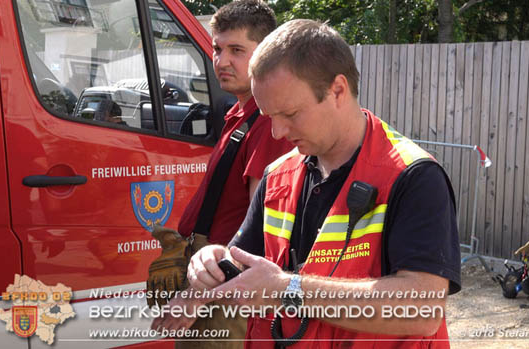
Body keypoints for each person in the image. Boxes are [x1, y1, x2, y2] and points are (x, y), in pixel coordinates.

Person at [155, 19, 461, 347]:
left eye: (290, 114)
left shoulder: (412, 175)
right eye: (269, 116)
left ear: (338, 90)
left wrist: (290, 290)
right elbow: (246, 263)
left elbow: (422, 310)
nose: (277, 132)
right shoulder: (278, 176)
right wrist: (212, 265)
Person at [147, 1, 291, 347]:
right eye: (217, 48)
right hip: (211, 277)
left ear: (267, 55)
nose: (221, 61)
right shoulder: (240, 115)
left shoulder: (268, 122)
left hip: (226, 286)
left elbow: (262, 233)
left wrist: (196, 296)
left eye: (237, 50)